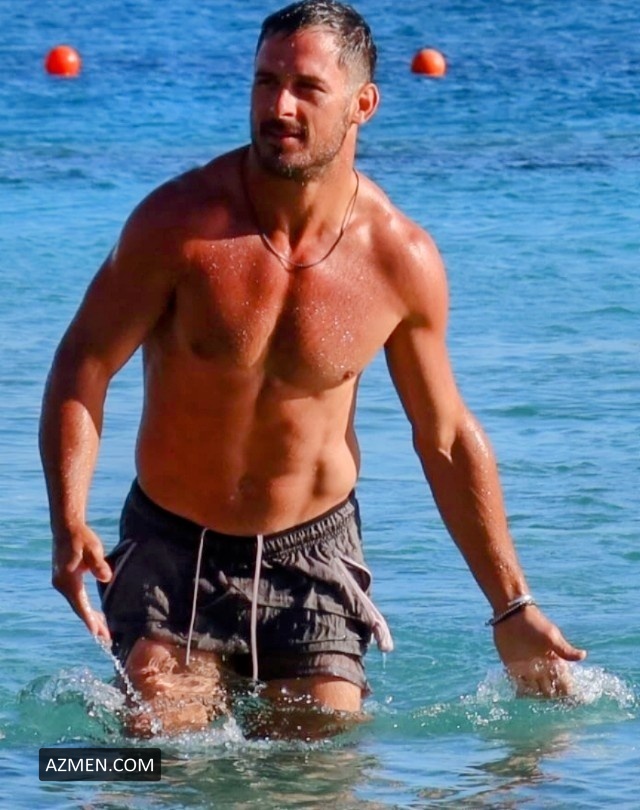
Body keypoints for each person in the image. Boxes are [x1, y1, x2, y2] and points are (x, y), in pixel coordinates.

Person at [39, 0, 586, 738]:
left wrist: (512, 605)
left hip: (314, 558)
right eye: (265, 82)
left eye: (305, 87)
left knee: (323, 772)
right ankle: (51, 776)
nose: (279, 107)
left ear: (363, 104)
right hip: (174, 550)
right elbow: (84, 362)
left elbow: (446, 435)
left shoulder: (398, 259)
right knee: (152, 761)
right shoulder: (177, 225)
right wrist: (69, 517)